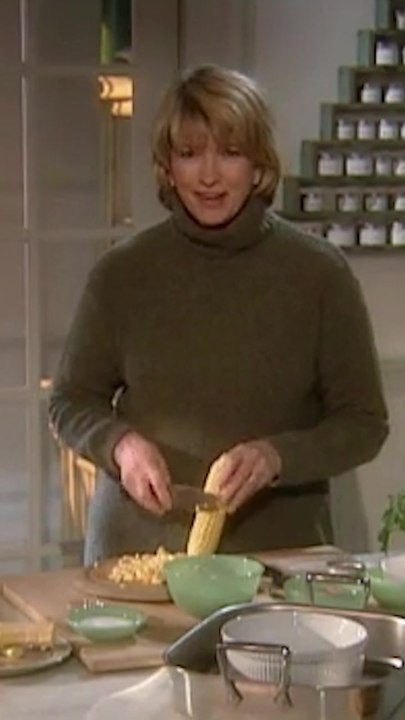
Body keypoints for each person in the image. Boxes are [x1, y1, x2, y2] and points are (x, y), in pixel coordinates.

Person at [49, 65, 389, 565]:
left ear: (259, 165)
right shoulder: (122, 275)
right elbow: (71, 402)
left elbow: (363, 423)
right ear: (169, 167)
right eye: (189, 154)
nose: (208, 175)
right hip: (137, 558)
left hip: (277, 560)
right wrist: (121, 446)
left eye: (230, 152)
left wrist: (276, 457)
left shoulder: (319, 274)